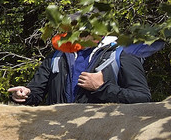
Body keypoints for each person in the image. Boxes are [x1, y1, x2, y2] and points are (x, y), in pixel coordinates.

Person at [10, 35, 154, 105]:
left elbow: (142, 97)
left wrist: (102, 88)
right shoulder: (57, 56)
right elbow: (36, 93)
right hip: (56, 136)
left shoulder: (122, 54)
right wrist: (25, 94)